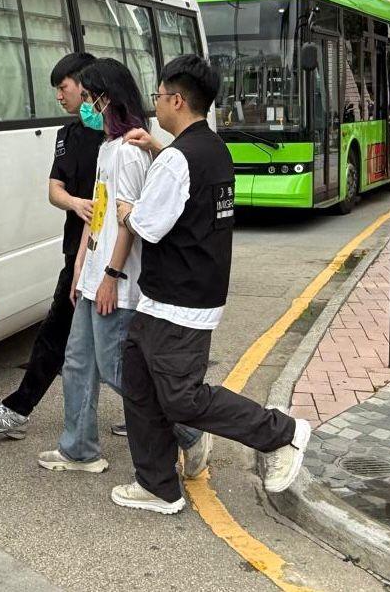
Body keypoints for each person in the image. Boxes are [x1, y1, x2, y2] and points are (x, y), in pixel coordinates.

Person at [110, 55, 311, 515]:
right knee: (140, 389)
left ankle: (283, 434)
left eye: (159, 97)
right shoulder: (212, 148)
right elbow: (186, 185)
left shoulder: (180, 158)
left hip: (179, 302)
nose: (155, 105)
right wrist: (158, 151)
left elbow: (148, 223)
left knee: (182, 398)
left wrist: (125, 210)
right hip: (168, 298)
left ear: (176, 99)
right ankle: (157, 485)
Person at [36, 58, 209, 476]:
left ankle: (189, 431)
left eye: (88, 96)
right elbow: (99, 214)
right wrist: (81, 266)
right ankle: (79, 449)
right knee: (77, 361)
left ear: (105, 98)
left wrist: (111, 276)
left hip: (118, 281)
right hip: (94, 276)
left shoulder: (130, 152)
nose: (82, 105)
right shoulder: (107, 147)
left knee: (118, 371)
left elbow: (130, 222)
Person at [0, 52, 100, 438]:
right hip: (75, 252)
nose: (59, 97)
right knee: (70, 338)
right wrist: (74, 202)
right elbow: (53, 189)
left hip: (108, 256)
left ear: (85, 86)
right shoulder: (66, 137)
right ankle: (19, 411)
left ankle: (171, 421)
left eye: (63, 88)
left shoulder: (119, 137)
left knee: (95, 342)